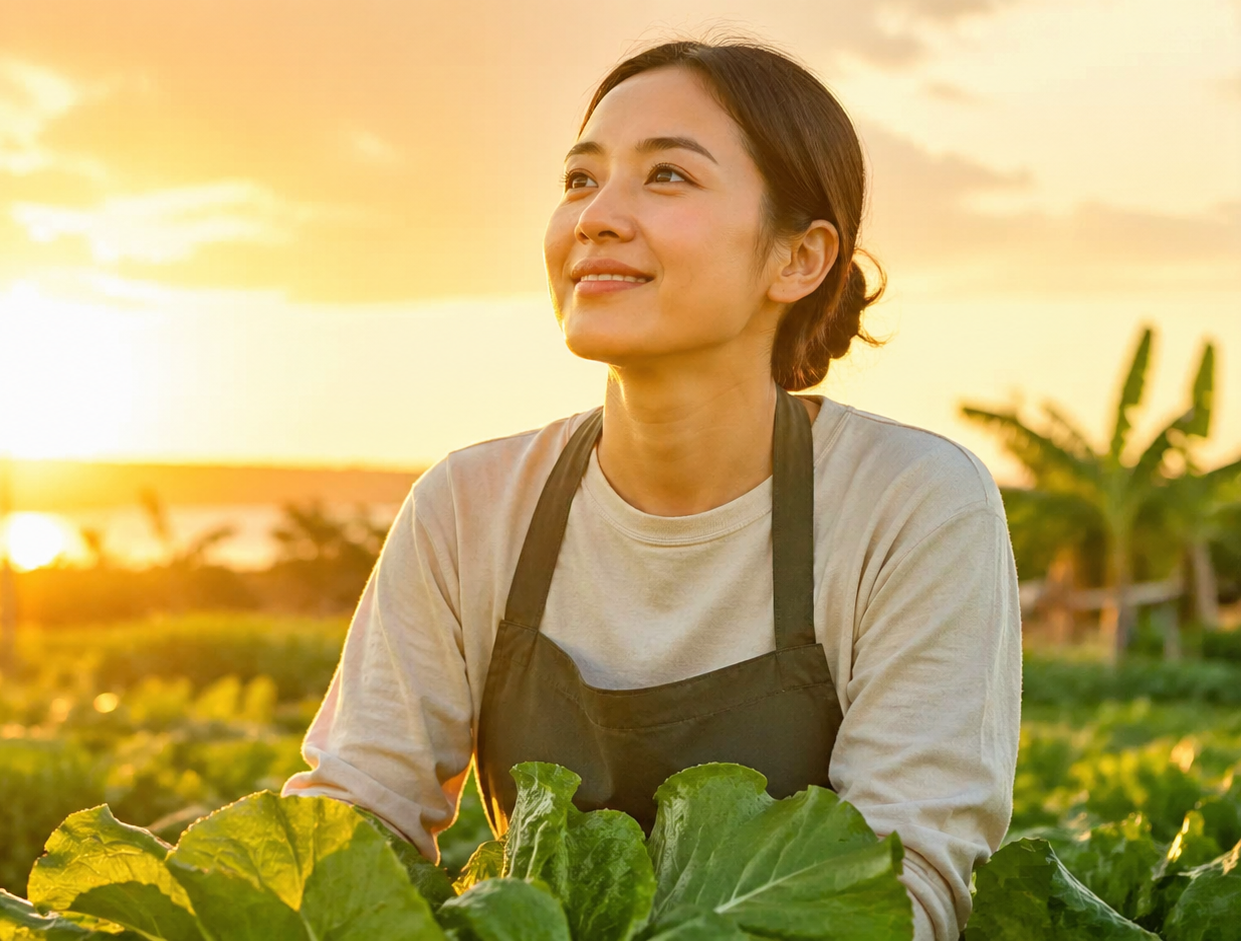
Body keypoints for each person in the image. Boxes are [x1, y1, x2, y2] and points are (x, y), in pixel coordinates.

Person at [282, 38, 1020, 941]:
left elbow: (903, 889)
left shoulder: (913, 505)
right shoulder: (468, 505)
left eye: (666, 176)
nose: (595, 217)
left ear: (799, 259)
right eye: (579, 179)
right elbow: (357, 819)